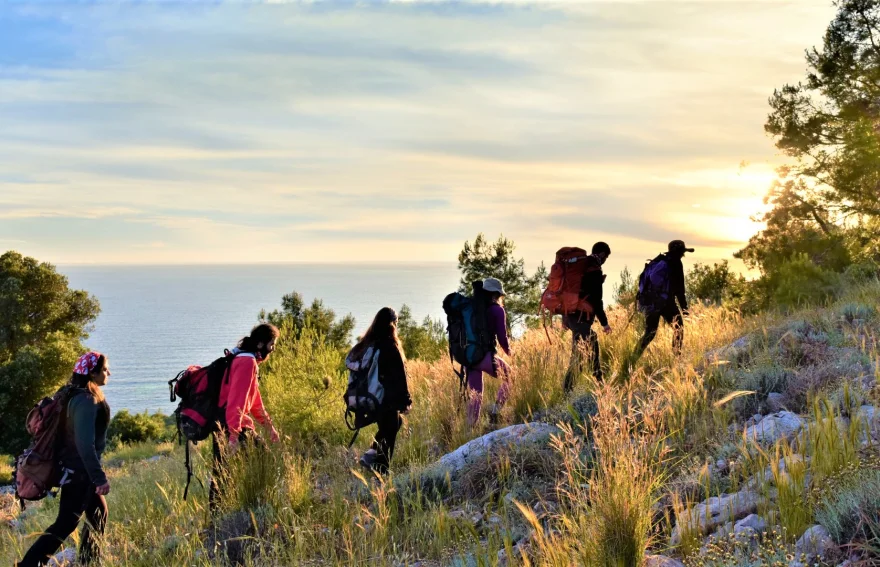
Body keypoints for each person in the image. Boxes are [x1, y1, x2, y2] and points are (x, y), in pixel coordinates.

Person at [19, 352, 112, 567]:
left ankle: (89, 561)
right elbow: (84, 445)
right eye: (105, 369)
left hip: (73, 469)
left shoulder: (70, 393)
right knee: (66, 523)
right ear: (92, 373)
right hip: (79, 472)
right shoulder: (86, 401)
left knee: (97, 514)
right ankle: (28, 564)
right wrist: (99, 479)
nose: (108, 372)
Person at [210, 323, 281, 510]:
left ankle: (224, 515)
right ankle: (248, 510)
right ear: (260, 344)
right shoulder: (247, 363)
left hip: (227, 423)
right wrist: (233, 437)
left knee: (222, 473)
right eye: (271, 344)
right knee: (261, 462)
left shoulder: (244, 359)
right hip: (232, 426)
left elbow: (255, 400)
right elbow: (236, 402)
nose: (272, 349)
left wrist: (269, 426)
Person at [352, 307, 412, 474]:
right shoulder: (390, 346)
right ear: (393, 324)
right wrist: (406, 401)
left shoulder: (369, 343)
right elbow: (400, 377)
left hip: (371, 397)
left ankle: (370, 455)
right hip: (387, 399)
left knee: (392, 425)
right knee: (390, 432)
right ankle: (382, 471)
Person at [562, 242, 612, 391]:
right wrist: (605, 323)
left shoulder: (579, 267)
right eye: (606, 257)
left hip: (572, 316)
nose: (605, 260)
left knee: (580, 354)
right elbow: (597, 300)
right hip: (581, 318)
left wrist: (564, 318)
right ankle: (599, 385)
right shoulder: (594, 269)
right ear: (603, 254)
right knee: (590, 348)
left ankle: (570, 390)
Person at [466, 277, 512, 426]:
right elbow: (502, 337)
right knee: (511, 376)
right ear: (495, 295)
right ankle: (496, 410)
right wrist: (509, 352)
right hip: (485, 357)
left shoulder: (472, 308)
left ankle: (470, 430)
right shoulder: (497, 310)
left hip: (469, 357)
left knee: (475, 395)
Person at [637, 239, 692, 357]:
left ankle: (634, 356)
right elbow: (680, 289)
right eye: (683, 251)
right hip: (666, 302)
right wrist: (684, 309)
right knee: (679, 328)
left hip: (650, 302)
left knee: (650, 332)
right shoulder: (676, 262)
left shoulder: (660, 261)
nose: (683, 254)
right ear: (679, 252)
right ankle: (676, 357)